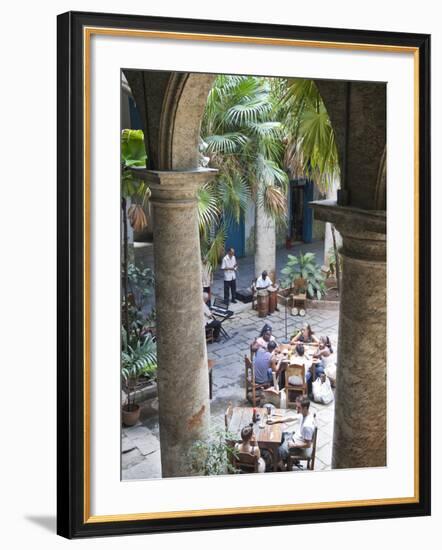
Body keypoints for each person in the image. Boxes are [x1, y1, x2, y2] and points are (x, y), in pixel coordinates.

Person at [268, 397, 315, 465]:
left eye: (299, 407)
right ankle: (281, 460)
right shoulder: (305, 414)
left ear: (305, 408)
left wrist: (293, 445)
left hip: (298, 446)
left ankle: (277, 465)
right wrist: (276, 421)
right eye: (296, 406)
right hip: (294, 437)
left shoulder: (307, 426)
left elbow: (308, 445)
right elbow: (292, 418)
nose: (296, 409)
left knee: (278, 452)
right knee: (278, 435)